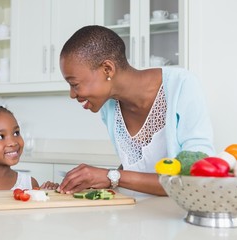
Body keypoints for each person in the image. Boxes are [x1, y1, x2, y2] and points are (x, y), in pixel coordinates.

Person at [57, 25, 215, 196]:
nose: (72, 94)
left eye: (74, 84)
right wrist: (98, 181)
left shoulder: (182, 85)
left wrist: (110, 176)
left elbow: (196, 175)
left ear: (107, 69)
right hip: (135, 215)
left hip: (176, 217)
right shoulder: (109, 107)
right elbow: (136, 165)